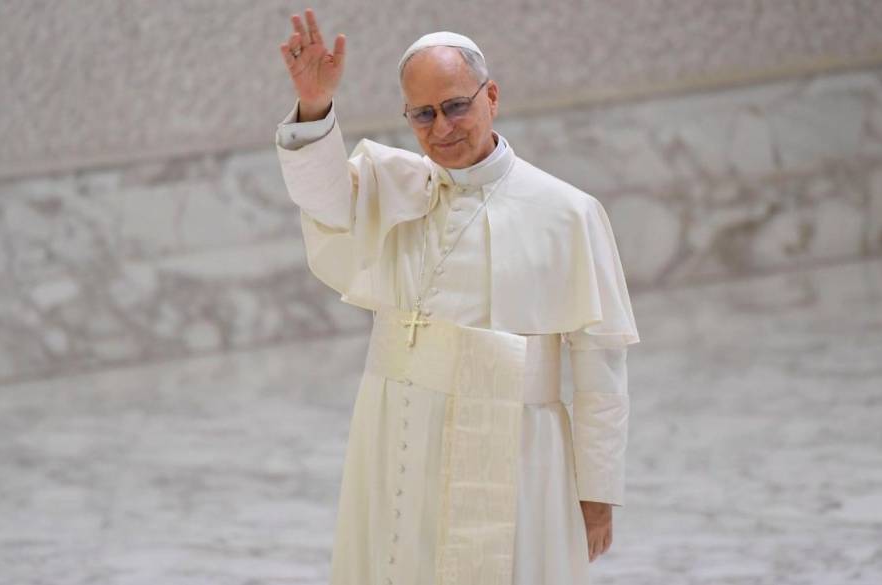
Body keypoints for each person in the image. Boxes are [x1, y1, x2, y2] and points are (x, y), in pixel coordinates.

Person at [274, 9, 640, 585]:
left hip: (515, 444)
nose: (441, 127)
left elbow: (600, 370)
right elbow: (321, 200)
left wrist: (597, 493)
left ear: (491, 96)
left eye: (455, 106)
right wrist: (315, 104)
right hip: (397, 431)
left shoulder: (567, 211)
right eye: (422, 114)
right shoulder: (393, 184)